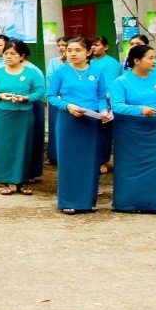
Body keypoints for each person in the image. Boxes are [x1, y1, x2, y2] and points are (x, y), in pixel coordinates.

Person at [110, 45, 156, 216]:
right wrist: (140, 110)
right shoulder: (121, 81)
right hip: (130, 131)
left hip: (155, 129)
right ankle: (129, 203)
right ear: (137, 61)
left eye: (155, 57)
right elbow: (116, 106)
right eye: (150, 58)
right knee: (131, 167)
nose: (154, 61)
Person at [46, 36, 112, 214]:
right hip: (68, 121)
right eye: (69, 50)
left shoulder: (97, 72)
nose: (72, 54)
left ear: (88, 52)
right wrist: (67, 106)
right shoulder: (60, 72)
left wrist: (103, 110)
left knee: (90, 160)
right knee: (69, 160)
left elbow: (101, 96)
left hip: (91, 121)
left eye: (78, 50)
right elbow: (51, 96)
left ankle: (88, 200)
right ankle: (68, 201)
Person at [0, 40, 45, 196]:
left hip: (24, 114)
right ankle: (2, 180)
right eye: (6, 53)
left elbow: (40, 92)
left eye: (13, 54)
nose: (8, 57)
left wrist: (26, 98)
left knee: (23, 146)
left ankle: (21, 181)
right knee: (2, 146)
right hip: (2, 114)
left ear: (22, 56)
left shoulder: (31, 73)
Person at [91, 35, 122, 175]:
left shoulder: (111, 63)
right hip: (91, 102)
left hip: (105, 102)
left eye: (97, 45)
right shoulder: (90, 62)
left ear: (106, 47)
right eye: (92, 45)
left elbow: (109, 87)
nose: (93, 47)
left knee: (104, 133)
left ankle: (103, 161)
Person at [45, 36, 69, 166]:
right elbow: (50, 77)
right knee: (55, 126)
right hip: (56, 98)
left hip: (70, 98)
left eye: (64, 45)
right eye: (59, 45)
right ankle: (54, 155)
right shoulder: (54, 61)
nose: (61, 48)